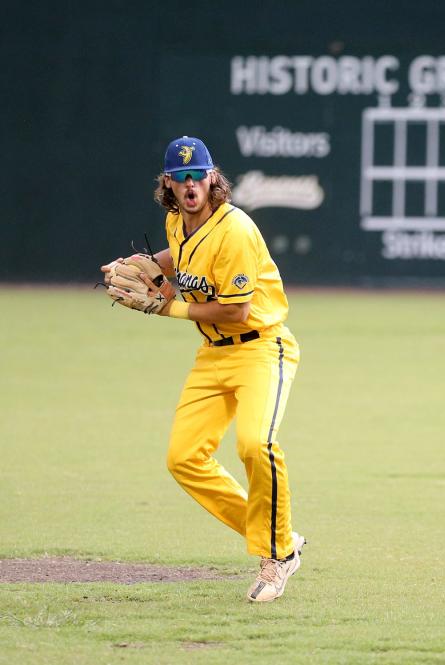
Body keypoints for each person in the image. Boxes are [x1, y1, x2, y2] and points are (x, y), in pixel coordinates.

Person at [101, 136, 304, 602]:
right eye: (181, 177)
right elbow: (183, 253)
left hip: (260, 348)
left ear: (213, 179)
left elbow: (235, 312)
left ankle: (275, 557)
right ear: (167, 183)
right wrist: (149, 265)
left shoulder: (235, 230)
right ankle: (282, 538)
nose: (191, 185)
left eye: (199, 176)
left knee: (256, 444)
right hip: (214, 355)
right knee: (183, 458)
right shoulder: (176, 220)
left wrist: (166, 305)